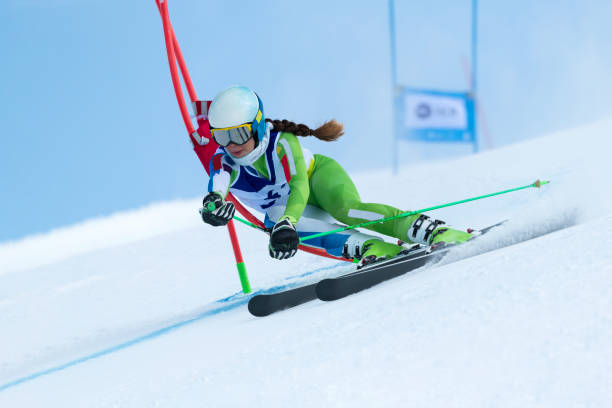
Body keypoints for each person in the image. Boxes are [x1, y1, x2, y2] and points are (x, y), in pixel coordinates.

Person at [200, 85, 472, 266]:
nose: (232, 144)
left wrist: (287, 222)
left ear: (257, 125)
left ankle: (433, 230)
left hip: (317, 179)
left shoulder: (281, 142)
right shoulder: (224, 162)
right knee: (273, 219)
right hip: (289, 209)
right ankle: (372, 248)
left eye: (238, 133)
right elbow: (217, 190)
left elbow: (300, 185)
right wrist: (212, 208)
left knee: (347, 210)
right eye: (221, 136)